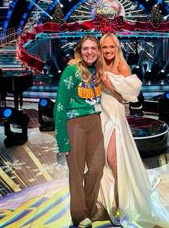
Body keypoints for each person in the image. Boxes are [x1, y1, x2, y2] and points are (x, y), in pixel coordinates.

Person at [97, 33, 169, 227]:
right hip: (100, 114)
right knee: (103, 159)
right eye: (104, 47)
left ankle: (123, 199)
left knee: (113, 158)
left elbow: (127, 97)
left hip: (114, 115)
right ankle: (107, 198)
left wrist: (109, 87)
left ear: (117, 48)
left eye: (111, 47)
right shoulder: (98, 65)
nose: (108, 51)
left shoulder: (122, 67)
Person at [54, 35, 105, 228]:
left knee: (96, 169)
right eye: (85, 48)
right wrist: (62, 141)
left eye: (93, 48)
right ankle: (79, 214)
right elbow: (59, 106)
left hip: (95, 123)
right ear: (79, 51)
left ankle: (90, 209)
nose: (90, 52)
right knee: (75, 171)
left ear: (98, 51)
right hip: (74, 124)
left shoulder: (98, 71)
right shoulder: (71, 71)